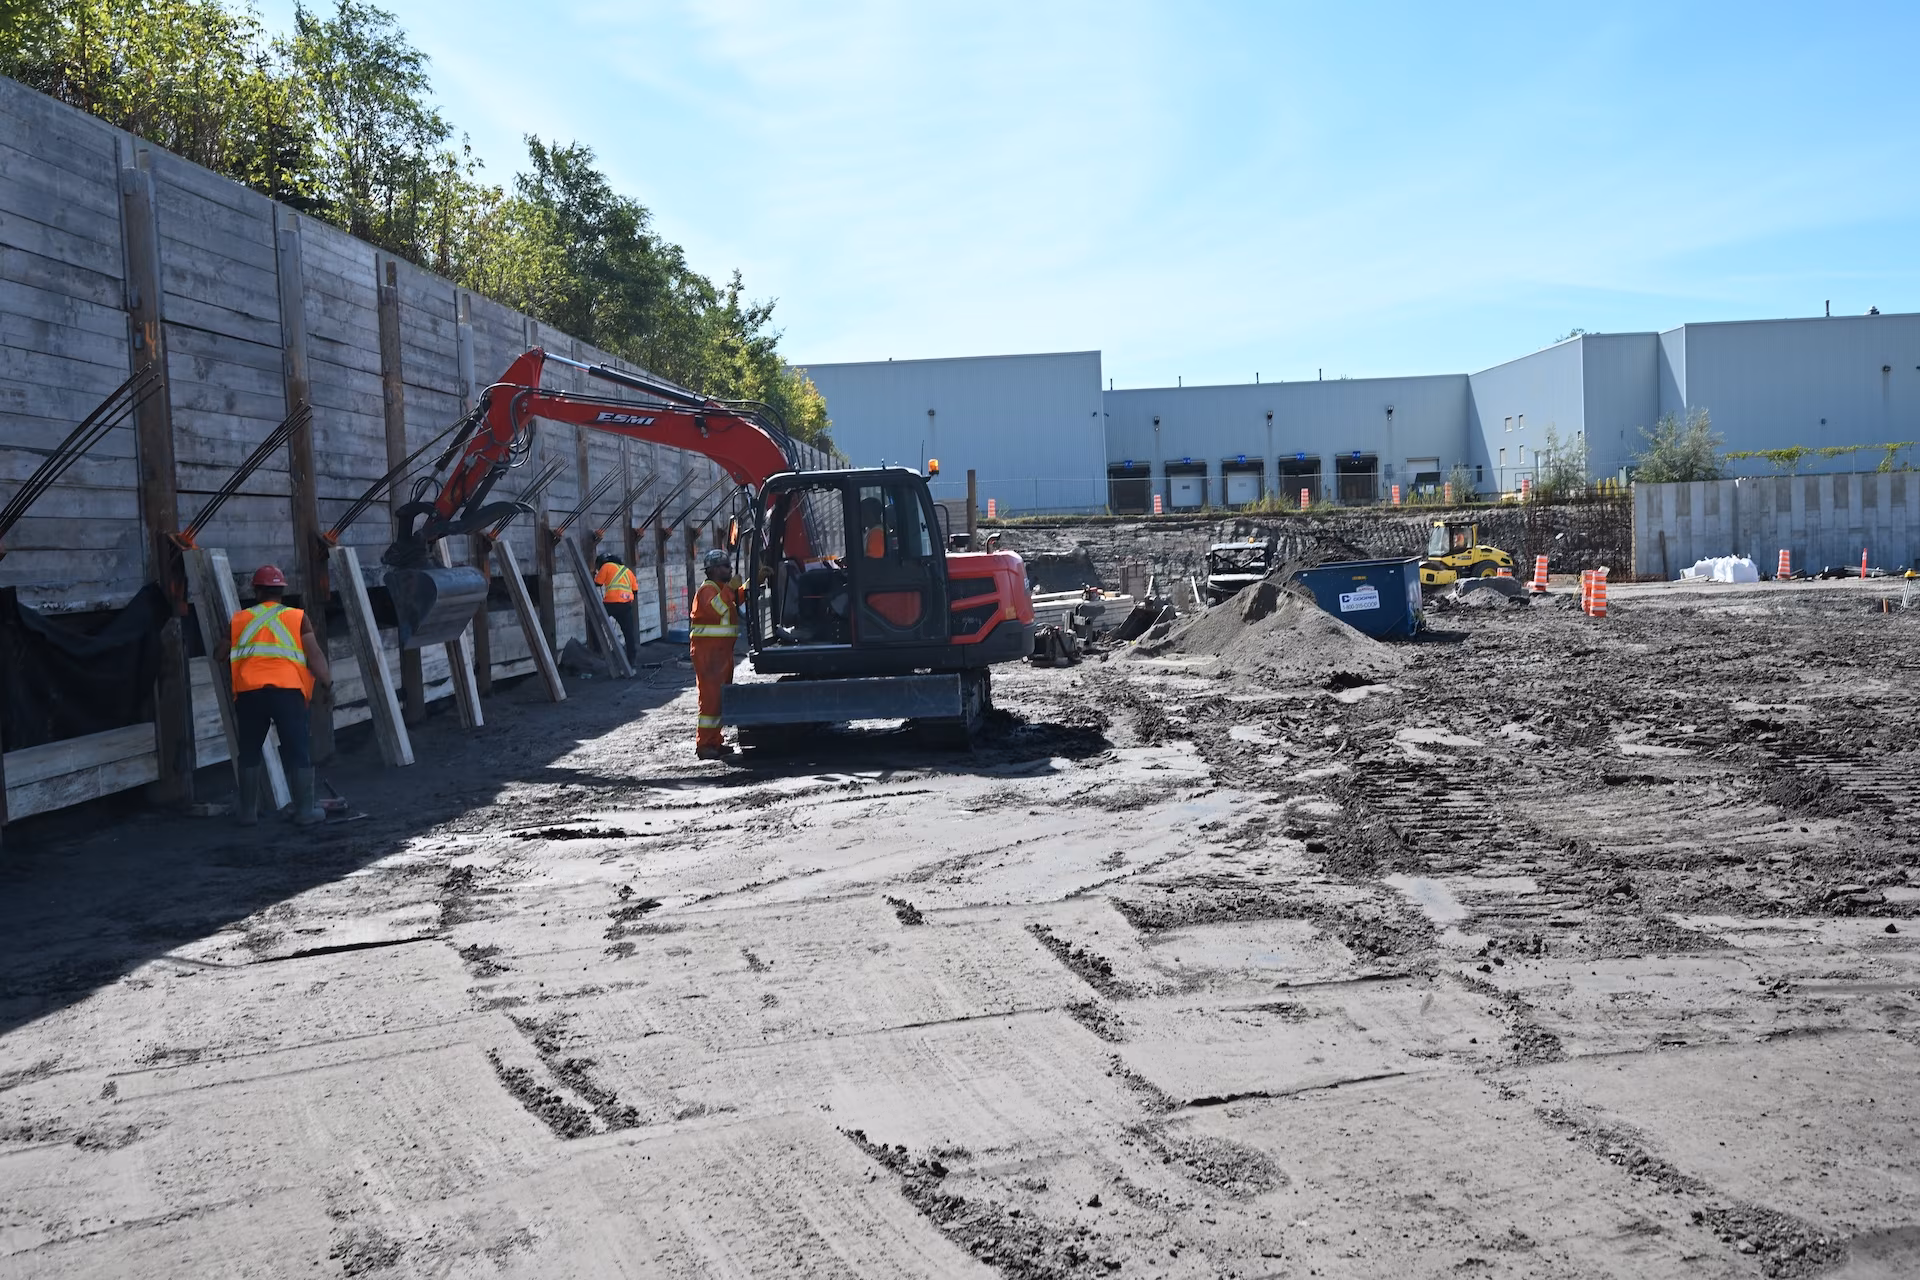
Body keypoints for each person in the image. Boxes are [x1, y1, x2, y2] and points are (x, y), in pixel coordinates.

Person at [230, 564, 332, 826]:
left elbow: (221, 652)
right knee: (297, 749)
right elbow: (315, 654)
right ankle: (305, 812)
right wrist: (327, 683)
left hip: (250, 693)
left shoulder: (239, 619)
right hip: (288, 693)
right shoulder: (297, 617)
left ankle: (247, 814)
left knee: (250, 750)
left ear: (257, 591)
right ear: (282, 591)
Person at [689, 547, 743, 760]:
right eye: (725, 566)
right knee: (710, 700)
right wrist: (731, 588)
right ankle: (704, 745)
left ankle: (715, 741)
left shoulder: (720, 588)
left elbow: (734, 598)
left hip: (720, 653)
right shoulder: (707, 590)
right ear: (713, 570)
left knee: (719, 699)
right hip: (708, 654)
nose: (730, 569)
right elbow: (719, 607)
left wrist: (750, 584)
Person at [594, 553, 640, 667]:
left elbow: (597, 583)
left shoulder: (606, 566)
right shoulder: (628, 571)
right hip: (626, 605)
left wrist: (595, 574)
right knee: (629, 634)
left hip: (611, 603)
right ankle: (631, 660)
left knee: (595, 622)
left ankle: (598, 651)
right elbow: (635, 590)